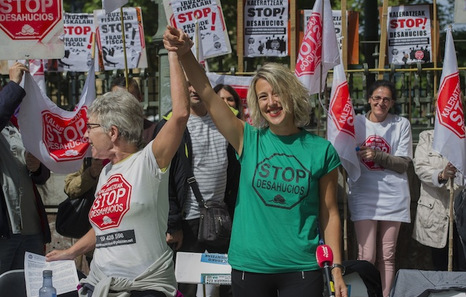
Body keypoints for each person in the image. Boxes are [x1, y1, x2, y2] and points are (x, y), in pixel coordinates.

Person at [163, 26, 347, 297]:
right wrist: (184, 53)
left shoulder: (322, 151)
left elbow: (330, 213)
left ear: (292, 96)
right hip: (249, 268)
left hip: (302, 269)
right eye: (263, 96)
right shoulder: (246, 138)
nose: (271, 102)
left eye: (277, 93)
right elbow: (206, 92)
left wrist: (337, 268)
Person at [45, 50, 190, 297]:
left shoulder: (149, 161)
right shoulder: (105, 173)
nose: (86, 134)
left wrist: (175, 54)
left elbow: (179, 115)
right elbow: (104, 229)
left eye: (91, 127)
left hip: (144, 287)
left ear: (112, 132)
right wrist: (72, 252)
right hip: (101, 284)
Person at [159, 77, 240, 297]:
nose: (193, 89)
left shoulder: (229, 120)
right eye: (187, 84)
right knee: (185, 286)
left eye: (197, 82)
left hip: (222, 219)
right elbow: (163, 179)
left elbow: (237, 174)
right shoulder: (171, 123)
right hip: (186, 223)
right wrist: (172, 223)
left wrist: (234, 214)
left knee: (225, 284)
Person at [348, 80, 412, 297]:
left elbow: (403, 164)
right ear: (369, 99)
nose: (381, 103)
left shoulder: (401, 124)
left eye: (386, 99)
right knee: (366, 255)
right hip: (363, 193)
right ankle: (365, 294)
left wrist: (377, 155)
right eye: (376, 98)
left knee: (388, 255)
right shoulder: (355, 123)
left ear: (392, 102)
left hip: (393, 195)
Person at [0, 62, 51, 274]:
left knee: (32, 287)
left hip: (30, 229)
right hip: (5, 232)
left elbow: (41, 174)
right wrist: (13, 84)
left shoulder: (15, 123)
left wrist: (37, 167)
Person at [412, 129, 466, 271]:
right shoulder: (427, 137)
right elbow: (420, 167)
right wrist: (441, 175)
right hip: (436, 213)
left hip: (461, 212)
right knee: (440, 266)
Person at [110, 76, 157, 144]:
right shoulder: (104, 131)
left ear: (139, 98)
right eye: (117, 99)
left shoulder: (154, 131)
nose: (122, 104)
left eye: (128, 99)